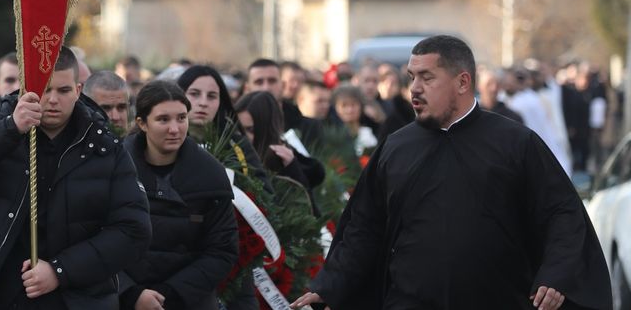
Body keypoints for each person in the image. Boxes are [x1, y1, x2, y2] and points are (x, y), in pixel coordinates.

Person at [290, 35, 613, 310]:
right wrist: (330, 284)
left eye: (427, 78)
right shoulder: (395, 148)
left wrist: (555, 274)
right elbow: (364, 227)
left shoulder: (516, 143)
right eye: (411, 77)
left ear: (462, 82)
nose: (414, 88)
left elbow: (560, 213)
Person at [0, 47, 150, 309]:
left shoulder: (104, 148)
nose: (51, 100)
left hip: (76, 299)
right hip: (0, 294)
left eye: (63, 90)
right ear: (28, 86)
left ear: (78, 89)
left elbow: (133, 230)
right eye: (44, 89)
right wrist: (9, 129)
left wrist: (61, 271)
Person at [120, 80, 238, 310]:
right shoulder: (113, 170)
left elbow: (222, 249)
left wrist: (171, 293)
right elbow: (92, 238)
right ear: (142, 123)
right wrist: (130, 292)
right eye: (163, 119)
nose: (174, 129)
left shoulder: (210, 174)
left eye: (181, 118)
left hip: (189, 300)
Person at [235, 92, 324, 194]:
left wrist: (293, 170)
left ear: (267, 131)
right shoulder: (229, 154)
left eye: (250, 130)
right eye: (238, 128)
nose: (241, 136)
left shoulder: (284, 163)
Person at [329, 85, 378, 156]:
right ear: (335, 108)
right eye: (344, 105)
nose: (350, 110)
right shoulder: (331, 135)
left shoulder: (371, 132)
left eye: (353, 104)